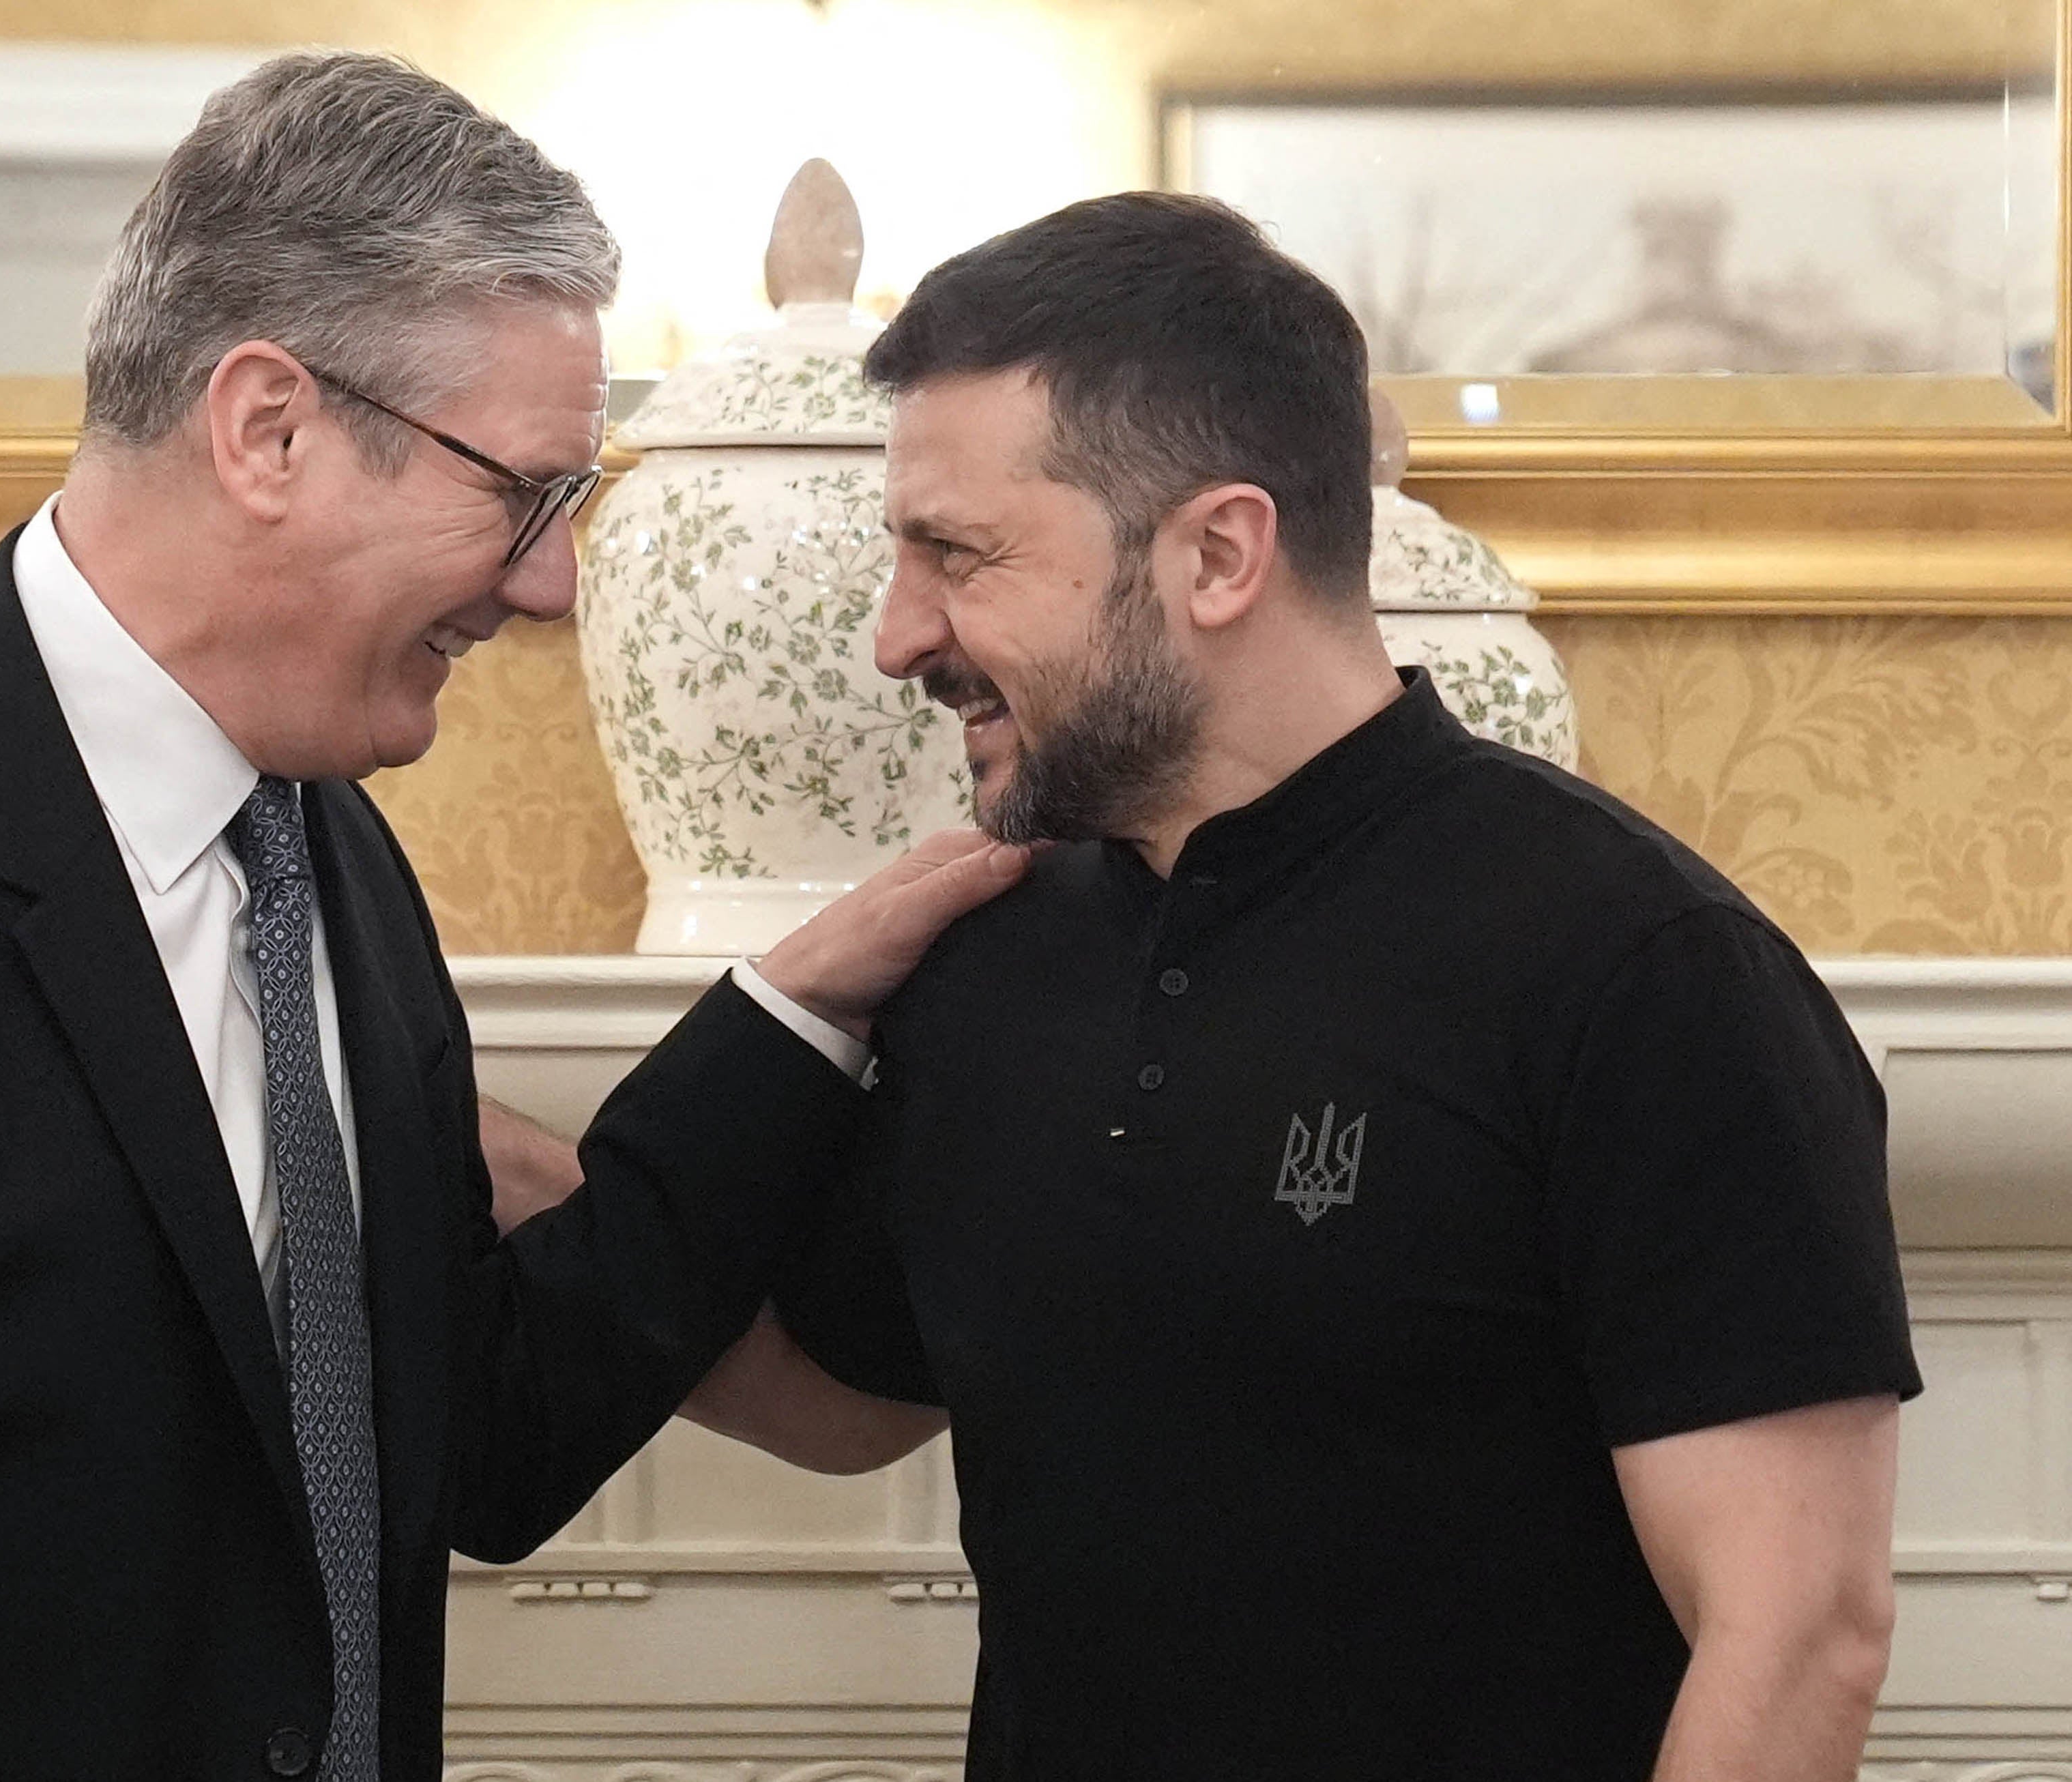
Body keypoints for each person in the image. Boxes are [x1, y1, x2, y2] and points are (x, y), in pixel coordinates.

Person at [0, 55, 1027, 1782]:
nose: (551, 583)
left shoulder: (326, 852)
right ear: (269, 428)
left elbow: (472, 1433)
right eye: (528, 494)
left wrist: (787, 1013)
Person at [672, 192, 1921, 1780]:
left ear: (1216, 553)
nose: (894, 636)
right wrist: (462, 1159)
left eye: (959, 557)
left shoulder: (1645, 972)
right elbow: (848, 1396)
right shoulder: (989, 947)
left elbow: (1798, 1627)